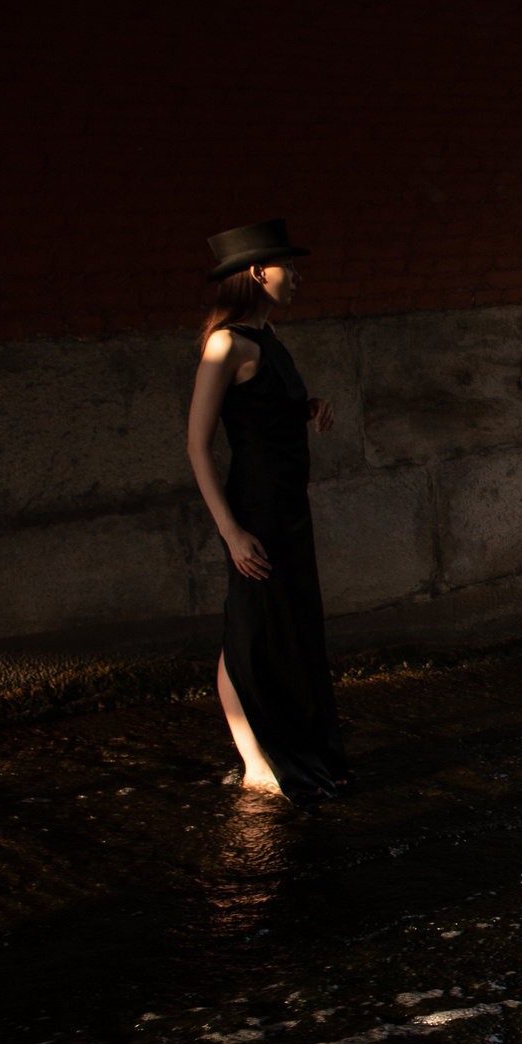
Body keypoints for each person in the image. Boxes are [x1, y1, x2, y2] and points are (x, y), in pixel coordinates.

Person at [184, 220, 351, 804]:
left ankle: (292, 748)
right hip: (254, 510)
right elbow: (198, 445)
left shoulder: (268, 336)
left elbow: (263, 408)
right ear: (258, 272)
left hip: (288, 508)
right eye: (289, 266)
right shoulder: (225, 342)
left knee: (289, 628)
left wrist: (309, 406)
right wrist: (231, 531)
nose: (298, 275)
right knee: (246, 632)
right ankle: (255, 762)